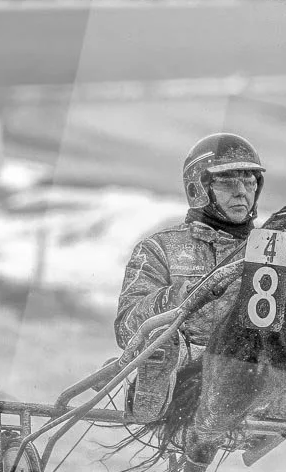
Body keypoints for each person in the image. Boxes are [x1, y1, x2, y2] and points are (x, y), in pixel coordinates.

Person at [114, 133, 266, 420]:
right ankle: (154, 389)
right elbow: (126, 330)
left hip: (250, 365)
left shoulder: (271, 250)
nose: (242, 192)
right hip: (185, 363)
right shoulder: (159, 248)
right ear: (199, 188)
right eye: (228, 181)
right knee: (162, 342)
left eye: (249, 181)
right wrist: (176, 297)